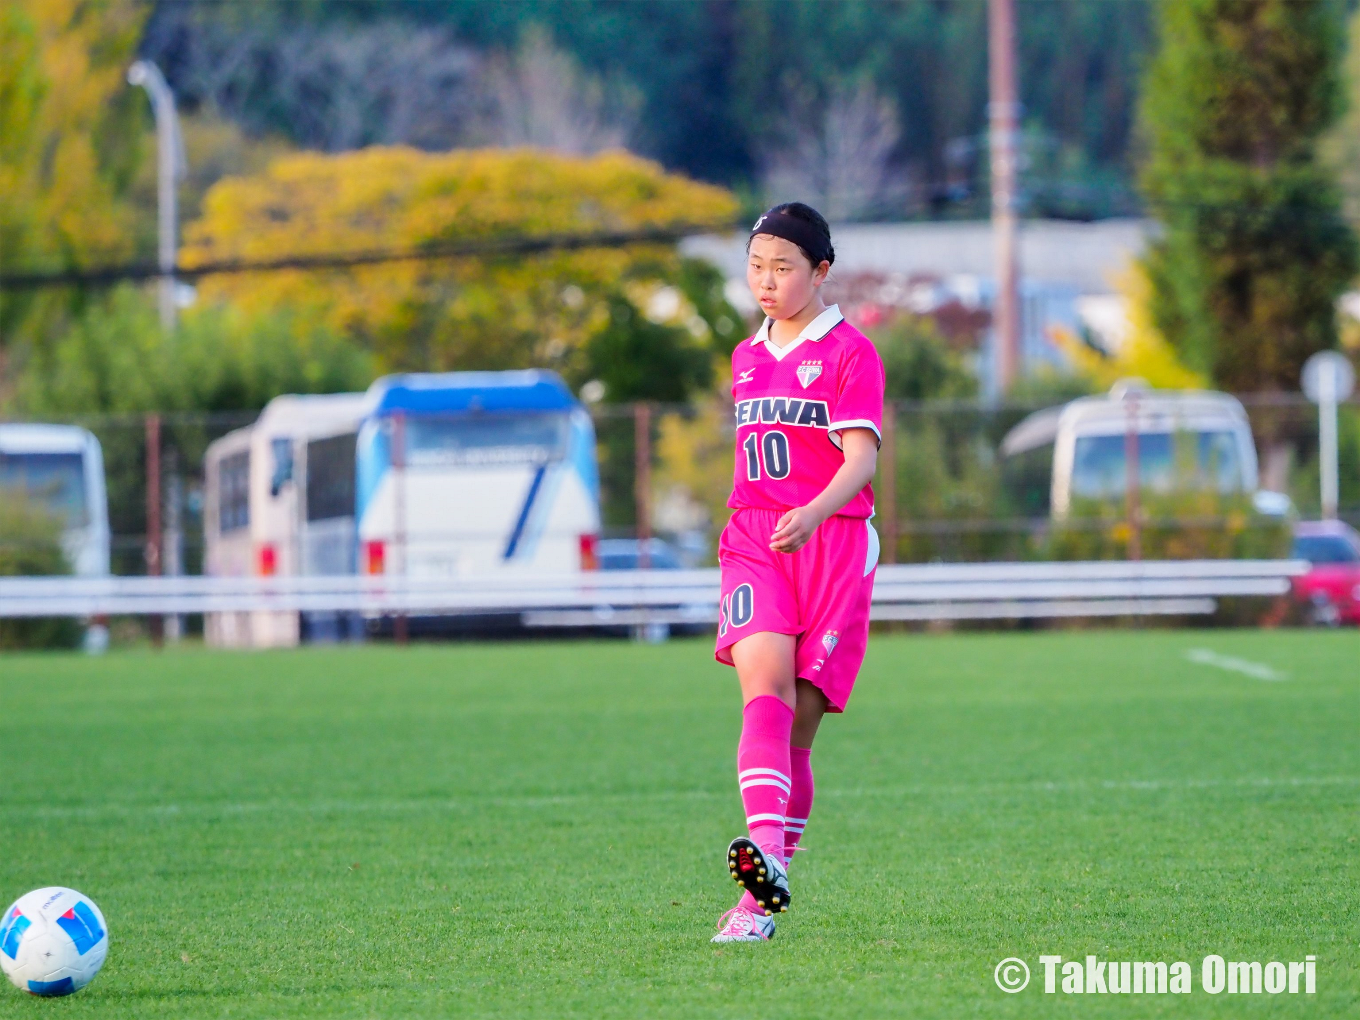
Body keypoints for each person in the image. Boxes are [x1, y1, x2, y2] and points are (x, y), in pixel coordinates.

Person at [711, 203, 885, 942]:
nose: (767, 282)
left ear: (819, 271)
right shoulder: (745, 357)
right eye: (756, 266)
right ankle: (761, 889)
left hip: (834, 544)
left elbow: (862, 460)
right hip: (755, 539)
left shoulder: (851, 353)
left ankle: (766, 886)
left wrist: (813, 513)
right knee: (764, 689)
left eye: (783, 268)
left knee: (799, 732)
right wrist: (783, 519)